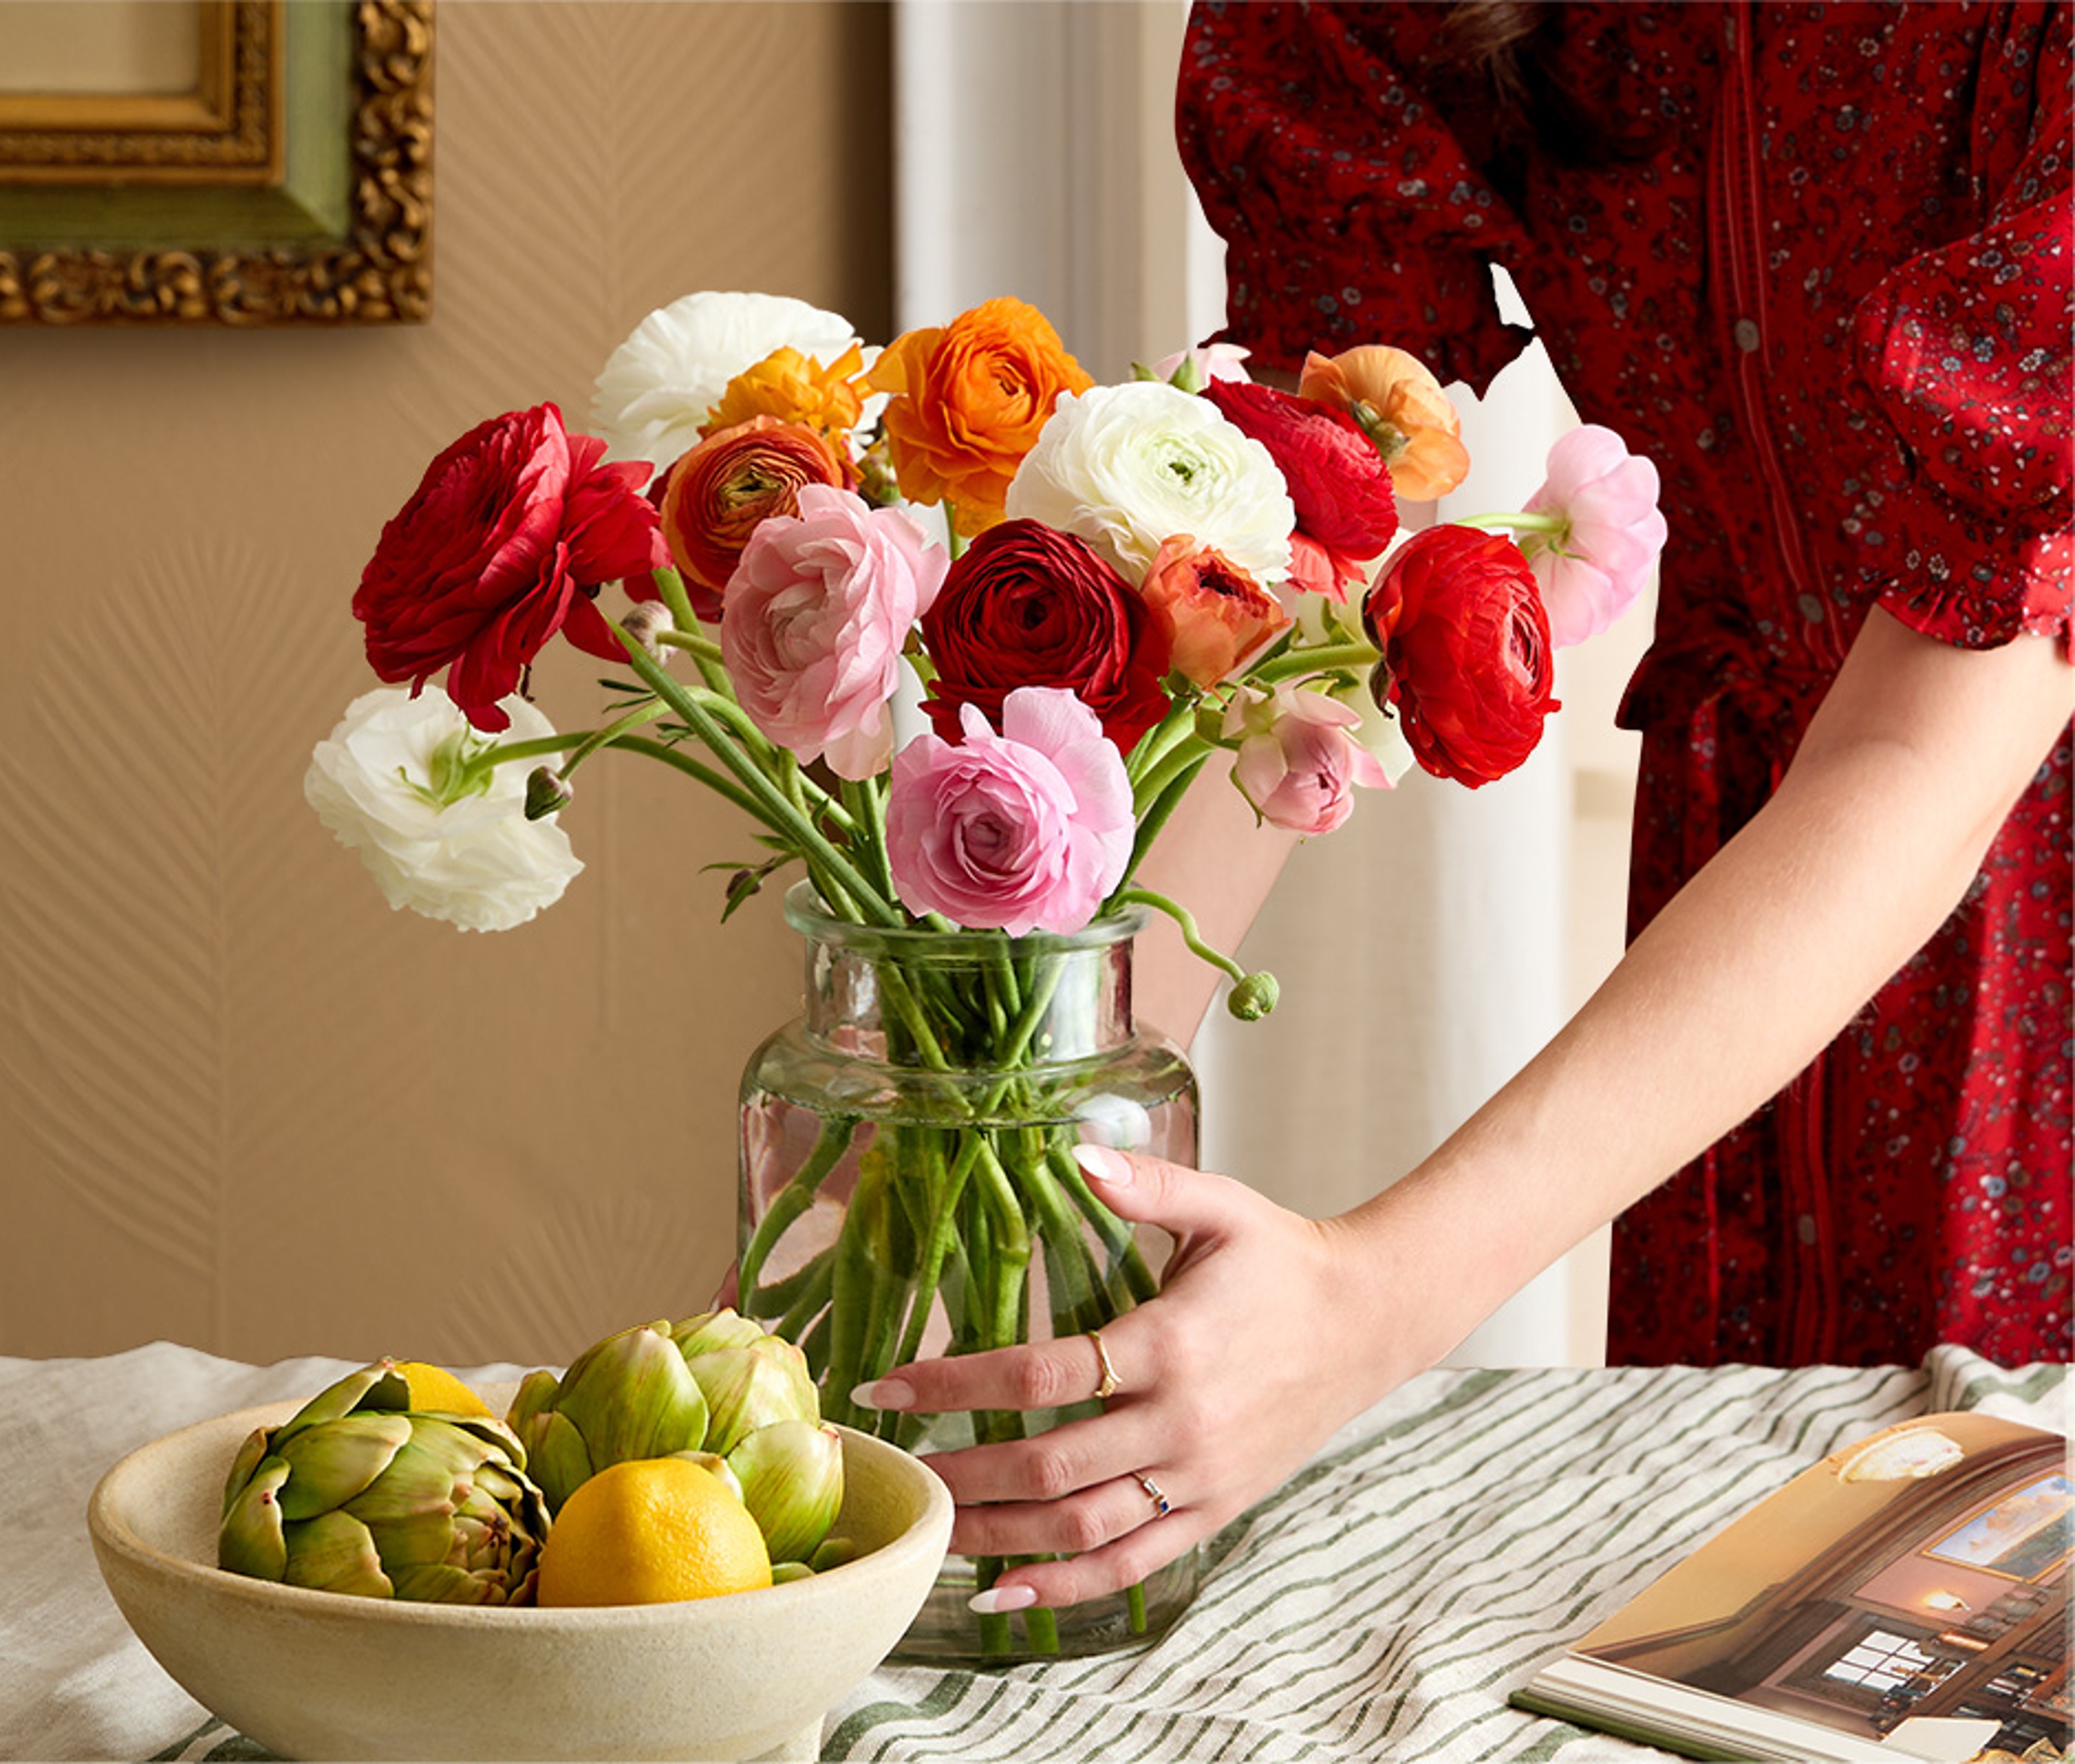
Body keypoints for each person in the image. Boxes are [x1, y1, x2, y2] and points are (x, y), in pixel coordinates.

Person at [845, 1, 2072, 1619]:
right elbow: (1293, 569)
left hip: (2002, 898)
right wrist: (991, 1142)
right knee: (1734, 1645)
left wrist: (1369, 1299)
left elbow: (1937, 728)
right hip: (1748, 941)